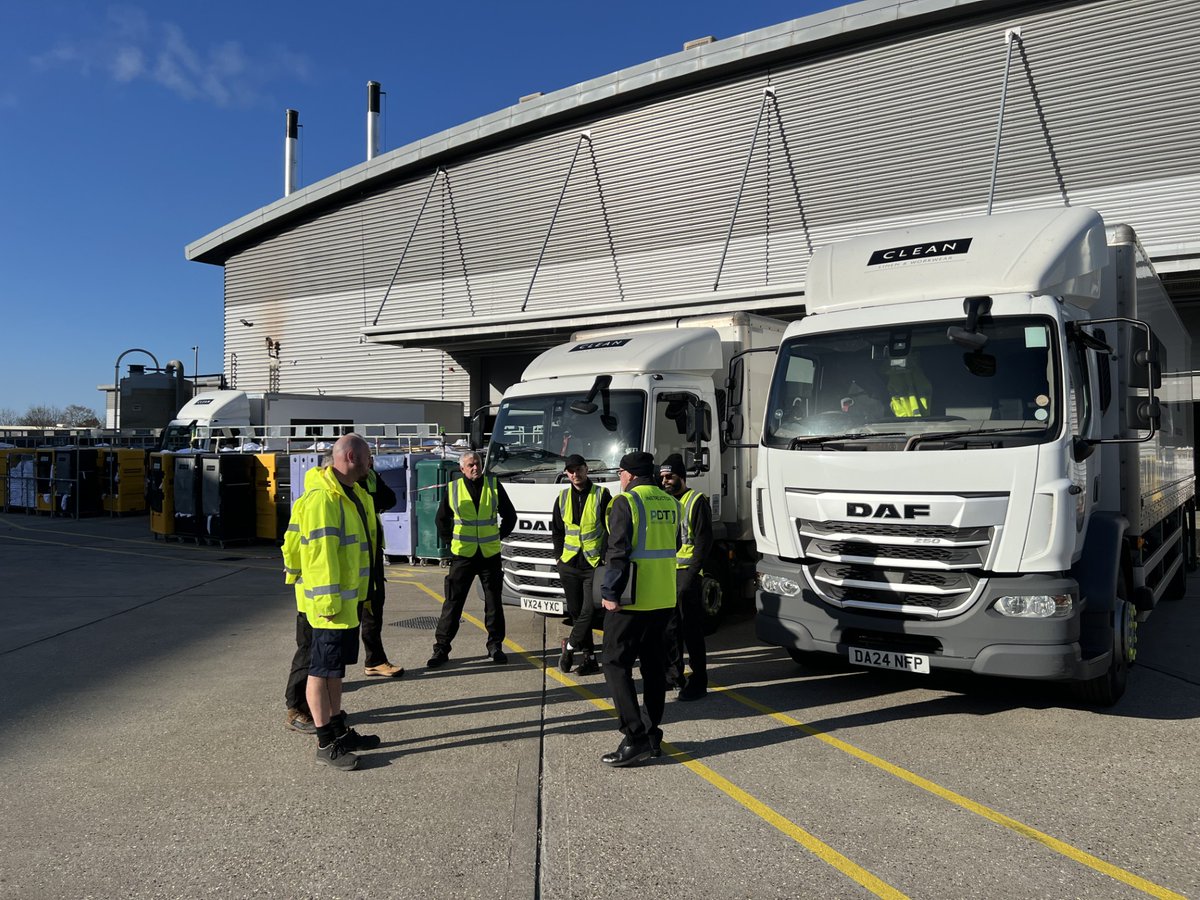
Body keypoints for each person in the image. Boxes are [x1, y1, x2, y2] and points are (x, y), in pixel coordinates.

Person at [282, 433, 381, 771]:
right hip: (328, 605)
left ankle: (339, 730)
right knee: (320, 671)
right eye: (368, 457)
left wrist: (364, 596)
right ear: (351, 456)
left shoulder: (355, 494)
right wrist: (326, 605)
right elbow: (318, 558)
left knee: (335, 671)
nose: (371, 463)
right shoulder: (323, 499)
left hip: (347, 603)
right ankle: (326, 743)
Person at [598, 450, 679, 767]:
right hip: (664, 597)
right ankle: (651, 733)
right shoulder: (670, 502)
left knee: (614, 662)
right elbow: (672, 545)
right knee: (654, 668)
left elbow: (618, 551)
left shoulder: (627, 501)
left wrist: (610, 592)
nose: (620, 478)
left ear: (629, 474)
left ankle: (635, 737)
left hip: (633, 600)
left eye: (620, 473)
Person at [428, 450, 517, 667]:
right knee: (453, 603)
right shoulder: (454, 488)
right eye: (470, 465)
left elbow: (510, 515)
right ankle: (441, 649)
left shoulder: (493, 485)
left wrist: (498, 535)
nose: (475, 467)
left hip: (489, 555)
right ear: (462, 469)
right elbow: (441, 520)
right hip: (463, 556)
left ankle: (495, 646)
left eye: (477, 463)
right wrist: (451, 542)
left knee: (494, 604)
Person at [658, 453, 713, 701]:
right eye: (662, 477)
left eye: (670, 477)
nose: (665, 481)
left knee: (691, 630)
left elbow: (703, 542)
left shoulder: (697, 501)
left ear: (682, 476)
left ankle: (699, 680)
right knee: (670, 629)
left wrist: (692, 574)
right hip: (667, 573)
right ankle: (673, 675)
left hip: (688, 573)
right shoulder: (664, 501)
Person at [551, 454, 611, 676]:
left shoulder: (602, 495)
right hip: (569, 564)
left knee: (588, 611)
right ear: (567, 473)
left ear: (586, 469)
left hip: (592, 564)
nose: (575, 474)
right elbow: (557, 531)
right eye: (571, 471)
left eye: (579, 469)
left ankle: (568, 647)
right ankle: (590, 658)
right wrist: (558, 558)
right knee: (576, 612)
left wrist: (603, 557)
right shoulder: (562, 497)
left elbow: (609, 528)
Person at [359, 460, 405, 678]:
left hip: (372, 554)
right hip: (353, 559)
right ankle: (324, 676)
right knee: (342, 624)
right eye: (366, 457)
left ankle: (375, 660)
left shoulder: (370, 476)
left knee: (374, 610)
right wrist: (372, 499)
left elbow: (390, 499)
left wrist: (372, 498)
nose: (370, 462)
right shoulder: (342, 483)